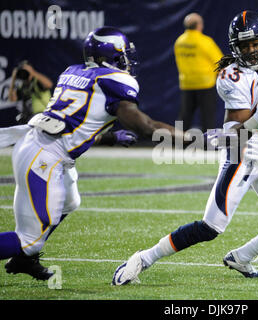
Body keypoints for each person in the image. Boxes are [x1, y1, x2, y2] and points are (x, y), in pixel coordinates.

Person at [113, 10, 258, 285]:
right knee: (211, 227)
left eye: (256, 43)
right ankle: (143, 258)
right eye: (245, 46)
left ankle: (241, 257)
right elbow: (234, 136)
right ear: (235, 48)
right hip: (242, 155)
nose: (252, 50)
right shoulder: (232, 76)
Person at [0, 26, 187, 281]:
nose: (127, 62)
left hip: (42, 143)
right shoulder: (117, 81)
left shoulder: (73, 72)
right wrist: (189, 138)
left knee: (70, 201)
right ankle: (25, 253)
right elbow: (146, 127)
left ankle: (26, 257)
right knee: (29, 239)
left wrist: (109, 137)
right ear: (112, 57)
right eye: (122, 56)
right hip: (44, 153)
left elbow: (76, 124)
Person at [174, 12, 224, 132]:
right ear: (199, 25)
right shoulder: (205, 42)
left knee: (185, 115)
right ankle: (208, 142)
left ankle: (178, 140)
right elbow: (220, 62)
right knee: (207, 115)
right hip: (205, 83)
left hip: (187, 83)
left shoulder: (179, 42)